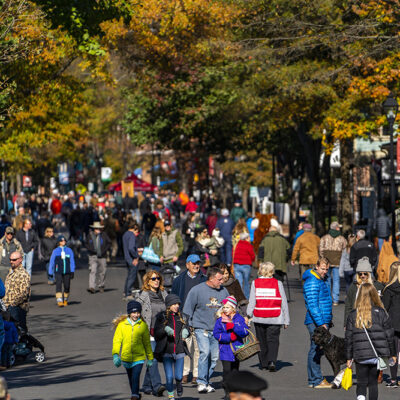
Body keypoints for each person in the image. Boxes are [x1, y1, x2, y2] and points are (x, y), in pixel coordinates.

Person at [345, 283, 396, 400]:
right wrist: (392, 354)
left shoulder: (353, 315)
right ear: (375, 295)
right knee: (373, 383)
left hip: (360, 355)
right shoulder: (381, 313)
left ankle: (361, 398)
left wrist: (348, 357)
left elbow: (349, 338)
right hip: (376, 354)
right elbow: (389, 335)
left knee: (361, 383)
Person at [183, 266, 229, 393]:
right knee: (205, 353)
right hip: (200, 328)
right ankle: (201, 382)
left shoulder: (224, 291)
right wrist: (187, 326)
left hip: (217, 330)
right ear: (211, 278)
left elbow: (229, 307)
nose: (222, 282)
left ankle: (206, 381)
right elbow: (187, 309)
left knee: (214, 357)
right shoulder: (197, 290)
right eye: (219, 279)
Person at [246, 262, 290, 372]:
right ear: (272, 271)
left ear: (260, 271)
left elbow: (252, 301)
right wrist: (286, 319)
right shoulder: (278, 283)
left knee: (261, 340)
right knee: (273, 340)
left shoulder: (255, 283)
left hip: (259, 316)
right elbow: (283, 302)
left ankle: (264, 362)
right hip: (275, 317)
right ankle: (272, 361)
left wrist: (248, 315)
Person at [171, 254, 206, 384]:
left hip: (199, 318)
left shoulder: (204, 279)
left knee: (198, 347)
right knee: (184, 346)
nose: (196, 266)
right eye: (193, 263)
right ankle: (185, 373)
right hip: (183, 317)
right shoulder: (179, 279)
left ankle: (196, 374)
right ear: (187, 265)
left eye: (198, 263)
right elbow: (173, 297)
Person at [112, 300, 154, 400]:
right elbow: (117, 341)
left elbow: (147, 343)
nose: (136, 315)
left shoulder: (143, 326)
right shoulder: (122, 326)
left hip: (139, 357)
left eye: (138, 312)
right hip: (126, 357)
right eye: (134, 312)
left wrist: (150, 357)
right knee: (131, 378)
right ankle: (135, 393)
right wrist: (116, 355)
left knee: (135, 376)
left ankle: (134, 395)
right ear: (129, 313)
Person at [302, 258, 332, 388]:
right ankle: (316, 380)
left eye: (326, 269)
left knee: (317, 349)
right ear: (316, 266)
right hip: (316, 322)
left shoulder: (321, 280)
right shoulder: (313, 282)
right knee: (315, 349)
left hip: (322, 320)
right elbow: (313, 305)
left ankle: (313, 379)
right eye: (322, 269)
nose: (325, 272)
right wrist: (321, 323)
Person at [136, 270, 167, 397]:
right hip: (148, 333)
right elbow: (134, 314)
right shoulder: (142, 296)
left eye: (158, 278)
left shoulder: (164, 294)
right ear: (147, 281)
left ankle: (146, 385)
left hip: (161, 333)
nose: (156, 281)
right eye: (153, 279)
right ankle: (157, 386)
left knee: (154, 359)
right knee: (152, 359)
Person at [154, 294, 190, 400]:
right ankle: (171, 396)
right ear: (168, 305)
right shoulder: (162, 317)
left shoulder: (182, 316)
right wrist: (165, 330)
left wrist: (186, 331)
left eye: (178, 304)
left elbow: (188, 328)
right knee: (169, 377)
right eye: (174, 304)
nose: (177, 306)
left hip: (179, 350)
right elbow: (157, 334)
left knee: (178, 376)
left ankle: (179, 385)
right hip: (166, 351)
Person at [213, 295, 249, 400]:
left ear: (233, 308)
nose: (225, 309)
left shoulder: (239, 318)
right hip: (225, 349)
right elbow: (216, 334)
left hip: (237, 349)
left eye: (227, 307)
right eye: (224, 307)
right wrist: (229, 337)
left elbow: (245, 332)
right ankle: (227, 393)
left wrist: (234, 327)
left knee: (235, 371)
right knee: (227, 371)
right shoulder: (220, 320)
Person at [344, 257, 384, 328]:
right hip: (356, 320)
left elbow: (382, 305)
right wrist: (346, 323)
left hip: (373, 320)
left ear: (369, 273)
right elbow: (348, 305)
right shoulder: (353, 286)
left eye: (365, 273)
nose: (362, 276)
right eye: (360, 274)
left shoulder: (377, 286)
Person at [319, 221, 347, 306]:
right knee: (336, 281)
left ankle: (328, 299)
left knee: (327, 280)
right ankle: (335, 299)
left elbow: (320, 249)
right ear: (337, 228)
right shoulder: (342, 239)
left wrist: (323, 259)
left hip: (327, 262)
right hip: (337, 262)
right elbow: (345, 250)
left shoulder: (324, 238)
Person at [382, 261, 400, 387]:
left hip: (393, 324)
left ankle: (393, 379)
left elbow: (385, 308)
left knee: (393, 352)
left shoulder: (389, 289)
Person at [3, 251, 30, 332]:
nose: (11, 262)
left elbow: (23, 293)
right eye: (10, 259)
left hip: (18, 308)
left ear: (20, 259)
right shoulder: (11, 273)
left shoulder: (23, 274)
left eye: (14, 260)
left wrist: (12, 304)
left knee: (20, 331)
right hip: (8, 308)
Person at [48, 236, 76, 307]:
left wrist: (72, 271)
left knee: (67, 286)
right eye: (61, 241)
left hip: (67, 271)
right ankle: (59, 300)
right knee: (58, 285)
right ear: (58, 242)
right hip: (58, 271)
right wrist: (50, 272)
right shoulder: (55, 251)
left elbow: (72, 261)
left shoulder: (69, 250)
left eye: (64, 240)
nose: (63, 242)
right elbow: (51, 262)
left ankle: (65, 299)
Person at [85, 221, 111, 294]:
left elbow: (109, 243)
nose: (98, 230)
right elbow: (86, 243)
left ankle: (101, 285)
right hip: (92, 256)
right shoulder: (89, 235)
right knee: (92, 270)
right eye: (97, 229)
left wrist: (105, 250)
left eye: (99, 229)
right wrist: (90, 249)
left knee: (103, 271)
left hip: (102, 256)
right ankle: (92, 287)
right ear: (94, 229)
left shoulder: (104, 235)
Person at [232, 232, 255, 299]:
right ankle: (246, 297)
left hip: (236, 264)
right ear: (246, 238)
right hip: (246, 265)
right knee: (246, 283)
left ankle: (238, 297)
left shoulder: (237, 244)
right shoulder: (248, 245)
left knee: (239, 282)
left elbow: (233, 253)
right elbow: (252, 255)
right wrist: (252, 261)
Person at [122, 220, 140, 300]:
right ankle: (128, 293)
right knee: (132, 276)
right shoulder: (132, 235)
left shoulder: (125, 234)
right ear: (135, 228)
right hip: (132, 259)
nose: (137, 234)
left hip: (127, 258)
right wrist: (136, 256)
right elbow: (131, 248)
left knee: (129, 275)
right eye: (137, 231)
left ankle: (125, 291)